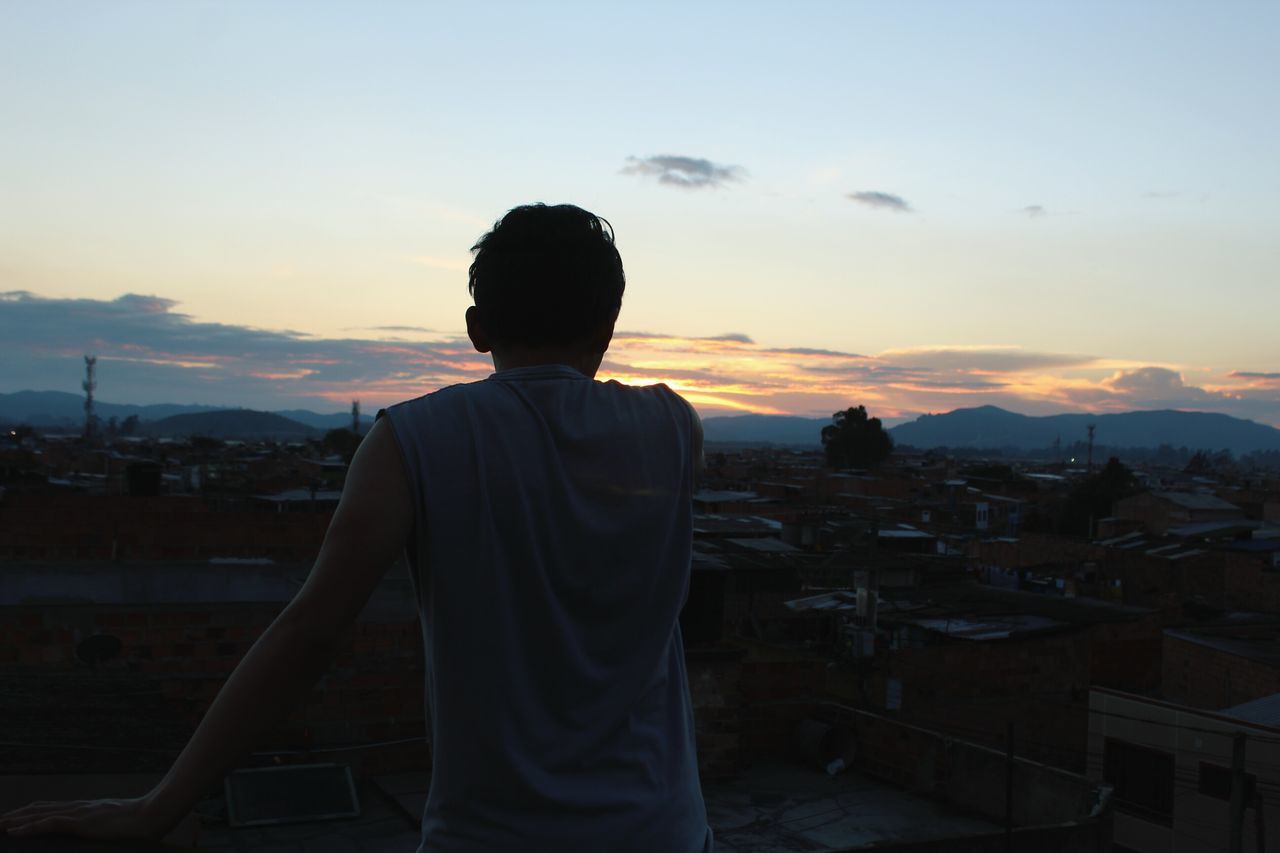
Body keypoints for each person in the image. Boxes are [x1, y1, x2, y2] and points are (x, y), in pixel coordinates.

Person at [0, 203, 713, 852]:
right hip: (664, 830)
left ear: (476, 328)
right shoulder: (674, 427)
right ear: (609, 325)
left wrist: (157, 806)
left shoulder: (414, 438)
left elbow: (309, 636)